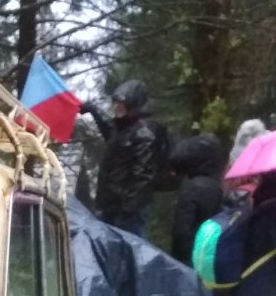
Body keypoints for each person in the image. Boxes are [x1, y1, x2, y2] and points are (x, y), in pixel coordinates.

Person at [84, 81, 166, 237]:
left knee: (128, 253)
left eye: (121, 103)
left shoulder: (145, 133)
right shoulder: (124, 128)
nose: (116, 107)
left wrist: (128, 210)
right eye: (115, 103)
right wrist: (95, 113)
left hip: (127, 210)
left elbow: (143, 176)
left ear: (132, 104)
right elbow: (113, 138)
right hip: (112, 205)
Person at [169, 133, 226, 266]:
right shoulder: (218, 187)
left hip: (190, 257)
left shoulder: (192, 188)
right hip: (209, 256)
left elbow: (182, 229)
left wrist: (178, 258)